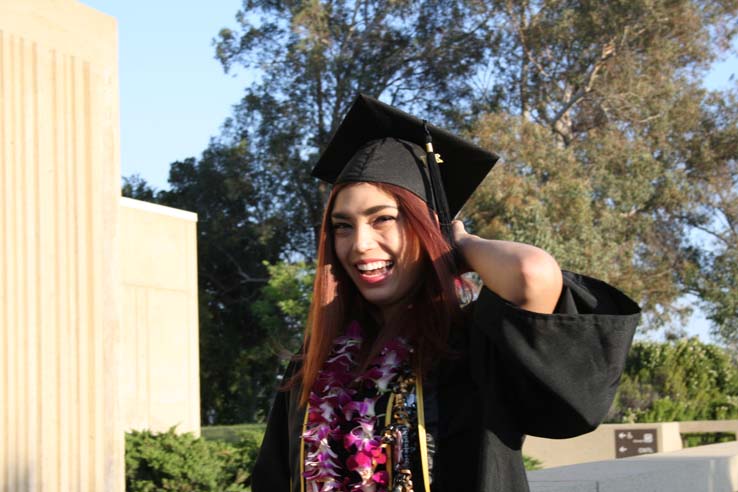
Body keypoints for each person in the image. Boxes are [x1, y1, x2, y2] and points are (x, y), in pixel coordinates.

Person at [251, 94, 641, 492]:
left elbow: (531, 273)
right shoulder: (313, 365)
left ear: (427, 229)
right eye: (342, 226)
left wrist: (460, 244)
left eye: (383, 219)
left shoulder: (474, 346)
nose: (360, 244)